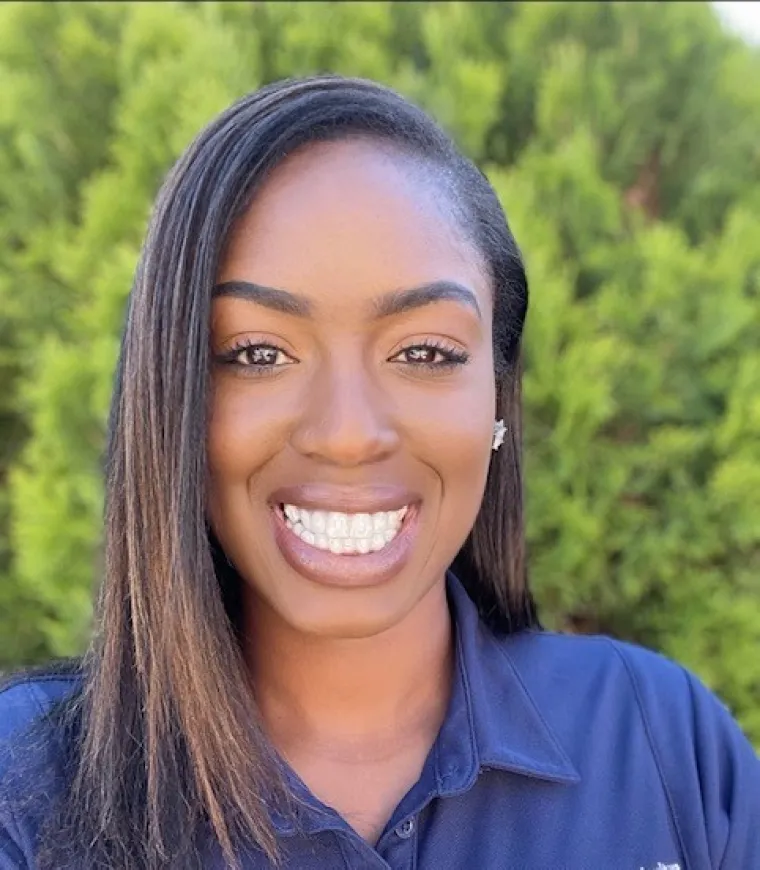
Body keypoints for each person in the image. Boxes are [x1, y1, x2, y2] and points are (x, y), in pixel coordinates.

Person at [0, 74, 758, 870]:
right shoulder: (26, 793)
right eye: (258, 353)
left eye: (424, 352)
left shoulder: (659, 739)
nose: (350, 434)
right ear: (175, 402)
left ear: (497, 398)